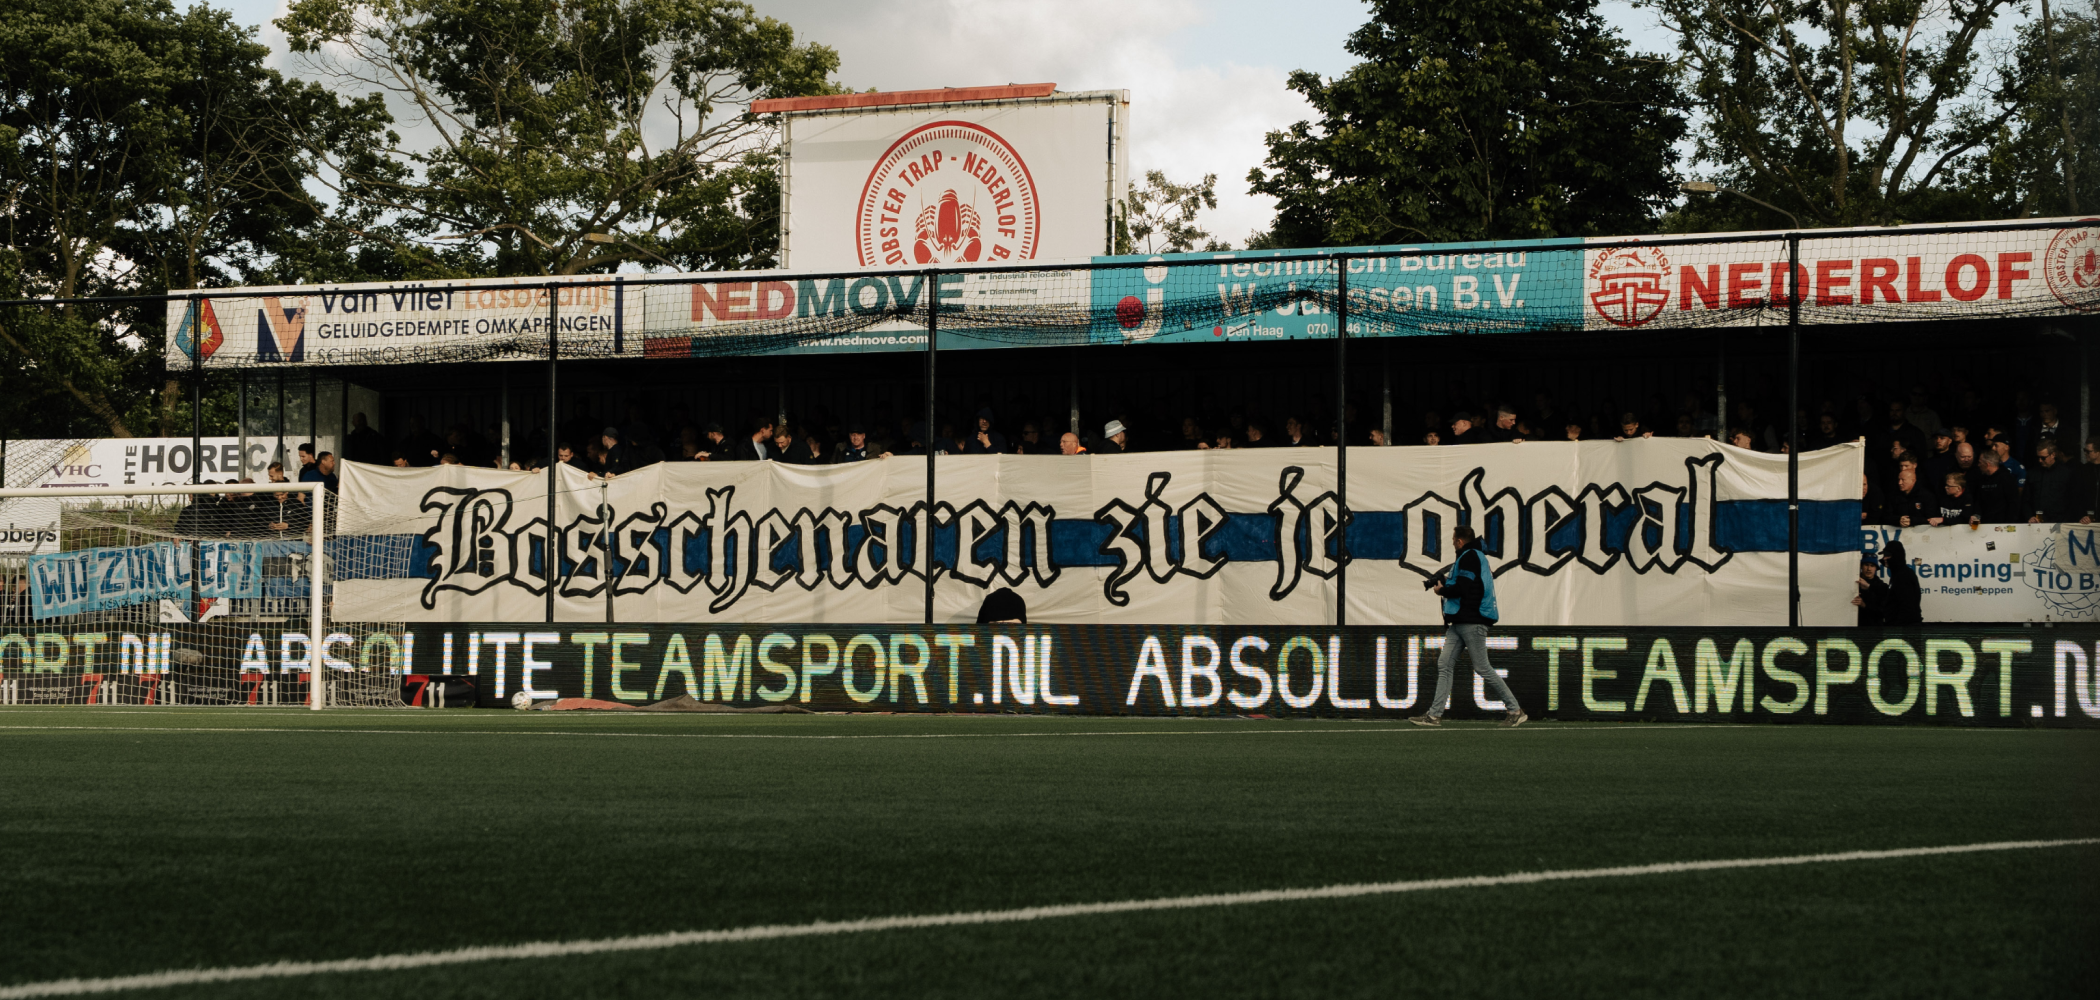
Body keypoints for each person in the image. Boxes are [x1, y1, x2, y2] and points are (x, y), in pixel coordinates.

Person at [1410, 524, 1527, 728]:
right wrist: (1444, 582)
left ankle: (1515, 710)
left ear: (1459, 540)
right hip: (1461, 622)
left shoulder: (1470, 556)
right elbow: (1466, 583)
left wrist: (1442, 590)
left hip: (1472, 621)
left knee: (1482, 667)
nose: (1453, 543)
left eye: (1454, 540)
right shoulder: (1472, 556)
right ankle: (1434, 716)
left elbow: (1462, 588)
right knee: (1444, 664)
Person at [2027, 440, 2075, 523]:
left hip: (2060, 522)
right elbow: (2026, 499)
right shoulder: (2033, 473)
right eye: (2038, 457)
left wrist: (2066, 520)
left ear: (2053, 455)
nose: (2040, 460)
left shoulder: (2066, 473)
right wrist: (2029, 516)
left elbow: (2072, 499)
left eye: (2043, 458)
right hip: (2037, 521)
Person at [1879, 540, 1922, 625]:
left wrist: (1898, 630)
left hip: (1904, 631)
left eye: (1887, 555)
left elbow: (1907, 607)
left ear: (1896, 556)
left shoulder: (1904, 575)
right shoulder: (1897, 574)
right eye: (1884, 555)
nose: (1884, 558)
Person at [1972, 450, 2020, 523]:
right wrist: (1976, 516)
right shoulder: (1981, 479)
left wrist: (2008, 524)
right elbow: (1978, 501)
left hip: (2002, 525)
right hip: (1984, 524)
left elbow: (2013, 504)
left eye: (1980, 462)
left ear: (1987, 464)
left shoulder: (2007, 479)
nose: (1978, 465)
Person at [1853, 557, 1889, 626]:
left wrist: (1864, 605)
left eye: (1872, 566)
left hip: (1875, 628)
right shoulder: (1853, 583)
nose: (1869, 569)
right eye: (1866, 565)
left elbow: (1883, 611)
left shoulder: (1882, 587)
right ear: (1861, 566)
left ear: (1876, 568)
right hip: (1853, 626)